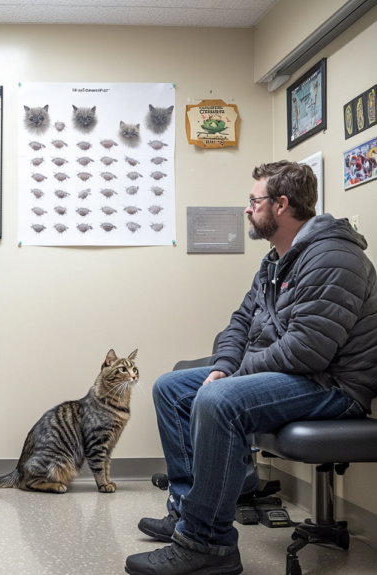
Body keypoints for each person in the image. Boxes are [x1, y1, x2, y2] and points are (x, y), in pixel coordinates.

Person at [124, 160, 377, 575]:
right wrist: (226, 364)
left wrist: (233, 376)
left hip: (332, 385)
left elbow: (308, 350)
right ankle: (189, 512)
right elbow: (240, 323)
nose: (247, 209)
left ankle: (207, 544)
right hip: (294, 373)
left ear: (281, 204)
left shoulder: (335, 258)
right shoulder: (275, 261)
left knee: (219, 399)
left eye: (253, 200)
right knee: (170, 388)